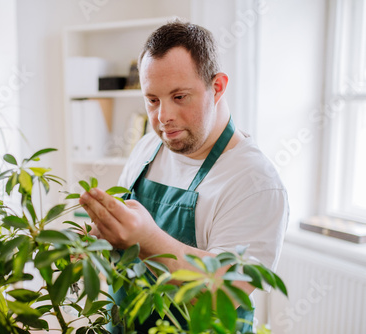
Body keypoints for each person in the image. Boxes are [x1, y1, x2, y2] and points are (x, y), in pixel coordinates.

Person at [79, 20, 288, 333]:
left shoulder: (256, 183)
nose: (163, 117)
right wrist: (102, 238)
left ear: (217, 87)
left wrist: (148, 239)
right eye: (152, 100)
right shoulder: (149, 146)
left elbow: (223, 294)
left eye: (179, 97)